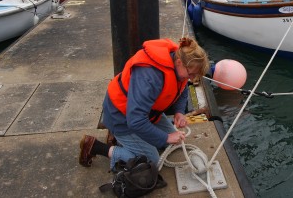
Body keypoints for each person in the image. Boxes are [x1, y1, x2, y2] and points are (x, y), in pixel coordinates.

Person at [79, 37, 209, 170]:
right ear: (179, 62)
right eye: (191, 74)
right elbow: (135, 120)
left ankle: (127, 141)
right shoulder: (149, 76)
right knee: (151, 160)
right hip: (120, 117)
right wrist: (166, 137)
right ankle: (95, 146)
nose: (192, 79)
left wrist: (179, 112)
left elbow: (182, 90)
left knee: (174, 144)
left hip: (148, 113)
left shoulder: (179, 70)